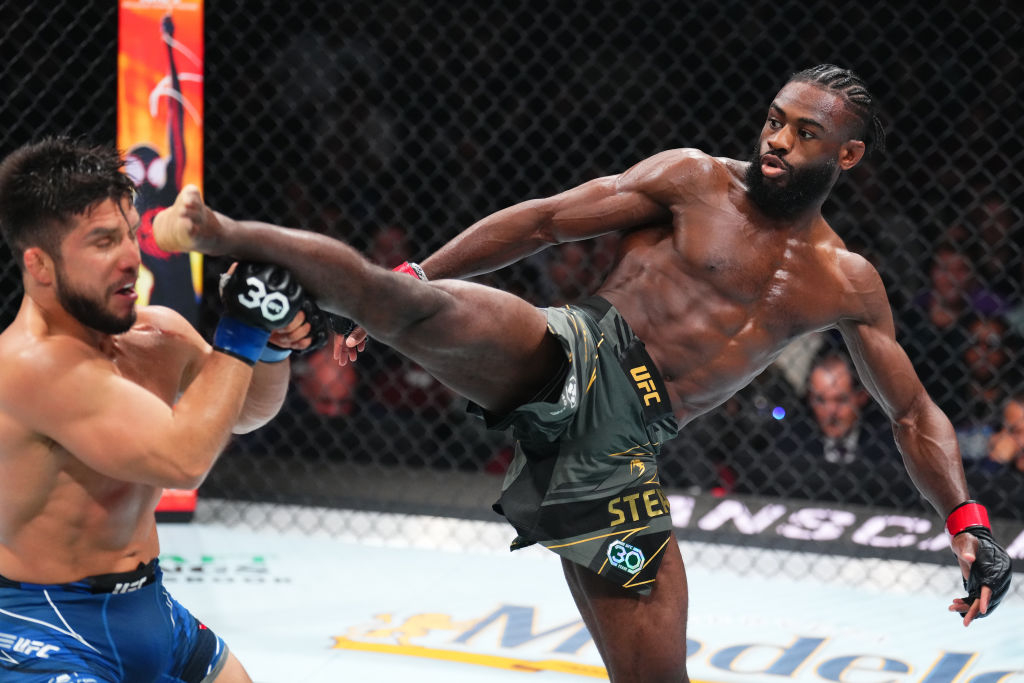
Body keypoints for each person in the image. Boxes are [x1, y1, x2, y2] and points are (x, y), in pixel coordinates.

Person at [153, 65, 1013, 682]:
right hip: (575, 351)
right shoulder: (693, 179)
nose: (778, 140)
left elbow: (911, 411)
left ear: (847, 157)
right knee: (414, 301)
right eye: (775, 120)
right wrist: (424, 267)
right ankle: (233, 239)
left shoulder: (848, 281)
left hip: (622, 453)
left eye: (804, 133)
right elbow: (547, 220)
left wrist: (965, 520)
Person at [0, 138, 318, 682]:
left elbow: (245, 411)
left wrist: (268, 343)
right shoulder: (31, 367)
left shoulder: (156, 335)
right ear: (40, 265)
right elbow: (183, 459)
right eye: (104, 241)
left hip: (151, 608)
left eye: (130, 233)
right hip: (44, 626)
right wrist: (242, 329)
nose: (131, 257)